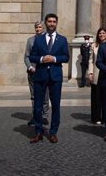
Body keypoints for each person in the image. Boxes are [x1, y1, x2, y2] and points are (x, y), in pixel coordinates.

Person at [29, 13, 69, 144]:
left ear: (56, 23)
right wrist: (41, 59)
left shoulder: (62, 39)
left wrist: (54, 59)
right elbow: (32, 56)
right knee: (38, 106)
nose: (51, 24)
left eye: (54, 21)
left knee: (56, 105)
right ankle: (38, 132)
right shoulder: (39, 39)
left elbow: (66, 57)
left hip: (55, 77)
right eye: (49, 21)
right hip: (40, 75)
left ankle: (53, 132)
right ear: (45, 23)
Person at [24, 21, 49, 126]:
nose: (38, 29)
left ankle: (45, 116)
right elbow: (26, 56)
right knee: (34, 96)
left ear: (43, 28)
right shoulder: (30, 40)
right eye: (36, 27)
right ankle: (35, 116)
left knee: (45, 95)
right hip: (33, 73)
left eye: (40, 27)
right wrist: (30, 67)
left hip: (44, 72)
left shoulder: (47, 40)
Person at [88, 27, 106, 124]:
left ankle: (105, 117)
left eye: (103, 33)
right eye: (100, 33)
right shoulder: (94, 46)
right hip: (96, 74)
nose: (101, 35)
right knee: (96, 97)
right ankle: (96, 117)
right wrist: (90, 73)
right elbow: (91, 60)